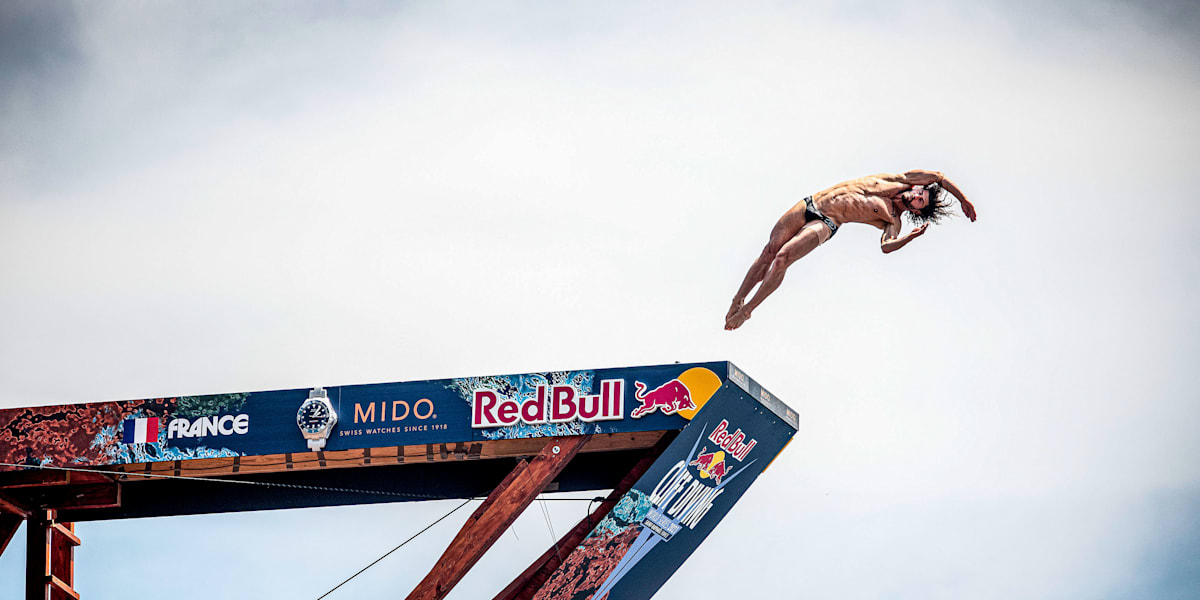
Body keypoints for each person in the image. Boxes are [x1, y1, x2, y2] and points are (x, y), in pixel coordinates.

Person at [724, 169, 976, 330]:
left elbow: (886, 247)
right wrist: (962, 199)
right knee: (769, 251)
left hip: (827, 223)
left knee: (781, 258)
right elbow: (939, 178)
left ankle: (748, 310)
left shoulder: (893, 219)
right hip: (812, 203)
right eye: (920, 193)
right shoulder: (899, 180)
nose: (916, 197)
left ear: (917, 210)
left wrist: (909, 238)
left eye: (920, 202)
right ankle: (738, 298)